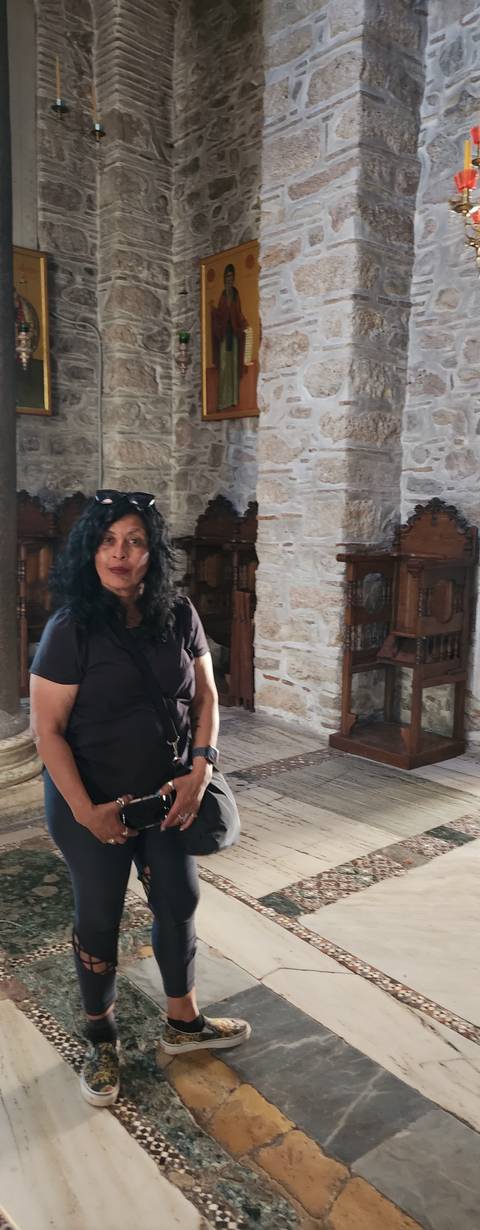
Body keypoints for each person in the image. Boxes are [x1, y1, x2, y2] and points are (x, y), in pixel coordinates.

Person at [29, 490, 250, 1108]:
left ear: (153, 553)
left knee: (178, 900)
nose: (120, 554)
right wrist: (86, 812)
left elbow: (205, 696)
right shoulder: (70, 629)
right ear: (90, 551)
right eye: (107, 541)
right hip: (92, 798)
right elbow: (47, 732)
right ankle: (101, 1039)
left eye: (134, 541)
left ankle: (184, 1023)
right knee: (99, 917)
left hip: (168, 791)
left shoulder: (178, 613)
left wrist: (200, 769)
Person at [211, 263, 248, 411]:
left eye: (231, 276)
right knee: (224, 367)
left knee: (233, 366)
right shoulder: (223, 294)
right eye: (227, 276)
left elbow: (238, 313)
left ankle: (233, 399)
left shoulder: (235, 293)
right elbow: (221, 314)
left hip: (234, 335)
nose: (229, 279)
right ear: (224, 278)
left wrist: (242, 323)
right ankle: (223, 401)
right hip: (224, 335)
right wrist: (213, 311)